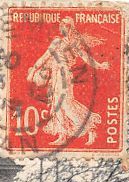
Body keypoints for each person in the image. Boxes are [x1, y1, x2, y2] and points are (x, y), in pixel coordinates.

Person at [26, 17, 110, 147]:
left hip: (64, 76)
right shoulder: (56, 41)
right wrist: (33, 70)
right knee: (56, 106)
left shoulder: (74, 44)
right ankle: (62, 134)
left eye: (64, 25)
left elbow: (86, 57)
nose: (61, 27)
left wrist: (100, 65)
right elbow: (45, 57)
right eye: (61, 25)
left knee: (65, 104)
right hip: (55, 76)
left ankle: (89, 129)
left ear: (70, 28)